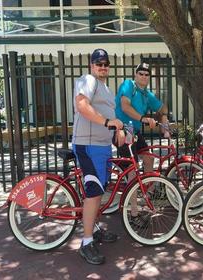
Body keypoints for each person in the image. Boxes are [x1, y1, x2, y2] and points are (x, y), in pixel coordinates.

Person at [72, 48, 124, 265]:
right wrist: (107, 123)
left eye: (105, 64)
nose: (102, 67)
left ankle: (93, 228)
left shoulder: (105, 88)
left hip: (102, 147)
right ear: (91, 66)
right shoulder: (88, 80)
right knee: (94, 193)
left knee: (100, 190)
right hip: (88, 144)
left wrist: (118, 131)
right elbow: (82, 105)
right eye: (98, 63)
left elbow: (110, 117)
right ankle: (85, 243)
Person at [115, 62, 169, 226]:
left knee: (149, 159)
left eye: (147, 74)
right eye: (141, 74)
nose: (144, 77)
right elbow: (125, 106)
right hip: (124, 129)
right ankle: (133, 213)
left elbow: (163, 109)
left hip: (135, 132)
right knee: (133, 170)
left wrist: (165, 126)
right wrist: (143, 118)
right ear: (135, 75)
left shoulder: (147, 94)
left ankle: (147, 192)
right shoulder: (128, 85)